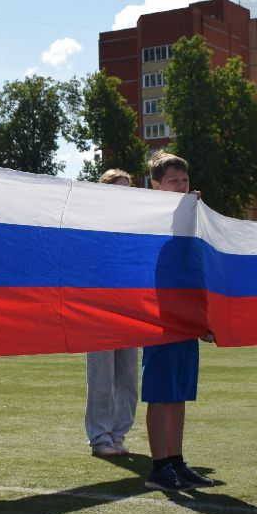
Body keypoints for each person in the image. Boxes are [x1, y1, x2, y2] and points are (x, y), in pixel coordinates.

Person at [138, 153, 212, 492]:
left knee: (179, 394)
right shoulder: (151, 220)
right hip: (160, 323)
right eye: (173, 181)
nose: (181, 186)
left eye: (184, 180)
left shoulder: (191, 221)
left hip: (185, 323)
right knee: (160, 395)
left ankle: (177, 461)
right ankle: (159, 467)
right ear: (156, 186)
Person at [85, 168, 140, 458]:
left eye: (128, 188)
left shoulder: (136, 227)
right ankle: (100, 438)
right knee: (101, 378)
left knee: (128, 378)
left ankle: (118, 435)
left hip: (128, 310)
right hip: (98, 311)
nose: (125, 193)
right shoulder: (92, 227)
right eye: (119, 188)